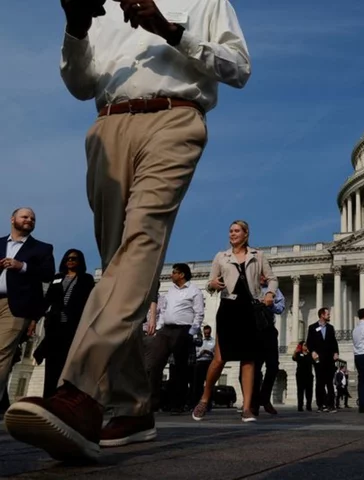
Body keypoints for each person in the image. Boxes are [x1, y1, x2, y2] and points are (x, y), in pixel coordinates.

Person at [4, 0, 252, 461]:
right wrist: (76, 28)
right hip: (107, 126)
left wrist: (171, 30)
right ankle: (135, 407)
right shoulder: (105, 5)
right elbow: (81, 85)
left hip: (174, 117)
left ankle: (79, 391)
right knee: (120, 268)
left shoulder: (206, 0)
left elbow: (238, 67)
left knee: (139, 248)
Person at [192, 221, 277, 423]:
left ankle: (247, 408)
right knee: (219, 358)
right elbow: (210, 283)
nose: (232, 234)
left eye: (236, 231)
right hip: (229, 308)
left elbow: (272, 278)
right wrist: (212, 284)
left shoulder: (258, 255)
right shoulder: (221, 256)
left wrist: (270, 293)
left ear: (246, 234)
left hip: (250, 309)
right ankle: (204, 398)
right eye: (230, 231)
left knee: (248, 360)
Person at [0, 208, 55, 408]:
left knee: (2, 352)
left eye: (32, 218)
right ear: (12, 219)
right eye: (25, 217)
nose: (29, 220)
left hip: (15, 306)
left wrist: (21, 266)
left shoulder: (42, 248)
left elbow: (48, 274)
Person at [34, 249, 95, 399]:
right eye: (68, 258)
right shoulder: (57, 278)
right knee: (52, 363)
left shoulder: (86, 279)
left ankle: (64, 397)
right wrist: (35, 319)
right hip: (55, 325)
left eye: (74, 258)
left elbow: (90, 302)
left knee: (68, 362)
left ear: (80, 261)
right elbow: (48, 299)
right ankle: (48, 397)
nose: (70, 261)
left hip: (73, 326)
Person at [146, 263, 204, 414]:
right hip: (165, 330)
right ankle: (153, 402)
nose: (171, 275)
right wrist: (159, 327)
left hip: (183, 330)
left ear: (182, 275)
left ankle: (177, 404)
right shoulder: (170, 291)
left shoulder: (194, 290)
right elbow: (164, 309)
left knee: (179, 368)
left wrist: (192, 331)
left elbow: (199, 313)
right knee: (155, 364)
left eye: (174, 272)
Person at [250, 274, 285, 416]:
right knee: (255, 369)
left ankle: (264, 398)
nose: (264, 277)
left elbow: (281, 308)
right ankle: (255, 403)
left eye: (266, 275)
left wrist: (270, 304)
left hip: (269, 330)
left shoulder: (274, 290)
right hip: (253, 331)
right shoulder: (250, 288)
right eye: (261, 274)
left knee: (273, 367)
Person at [306, 307, 340, 413]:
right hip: (318, 358)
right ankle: (321, 404)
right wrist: (312, 352)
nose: (329, 315)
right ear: (322, 315)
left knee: (329, 382)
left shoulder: (330, 328)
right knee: (320, 382)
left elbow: (334, 342)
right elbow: (309, 342)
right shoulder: (312, 327)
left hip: (329, 358)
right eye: (327, 314)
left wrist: (336, 352)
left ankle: (331, 405)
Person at [292, 341, 314, 412]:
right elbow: (294, 358)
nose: (306, 346)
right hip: (300, 375)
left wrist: (315, 356)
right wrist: (295, 352)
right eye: (304, 345)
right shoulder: (298, 353)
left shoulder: (310, 354)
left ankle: (308, 406)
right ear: (301, 346)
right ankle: (300, 406)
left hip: (309, 375)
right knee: (300, 391)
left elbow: (316, 361)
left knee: (309, 391)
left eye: (307, 345)